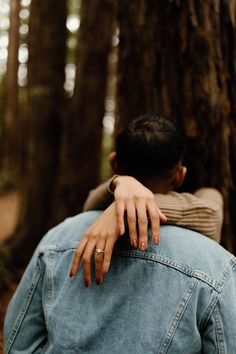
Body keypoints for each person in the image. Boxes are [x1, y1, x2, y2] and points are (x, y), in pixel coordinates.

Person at [4, 211, 236, 353]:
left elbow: (19, 343)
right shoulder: (215, 262)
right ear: (179, 175)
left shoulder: (57, 238)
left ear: (114, 163)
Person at [70, 116, 223, 286]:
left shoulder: (63, 233)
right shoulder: (202, 247)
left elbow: (91, 202)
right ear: (179, 176)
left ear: (113, 162)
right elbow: (212, 208)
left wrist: (122, 204)